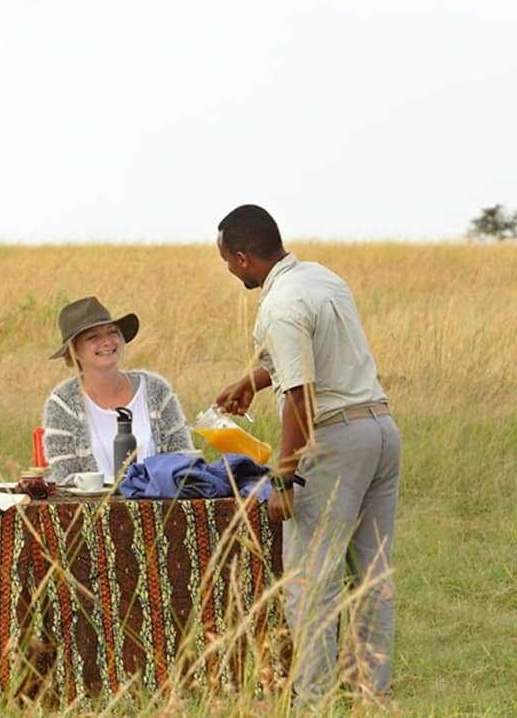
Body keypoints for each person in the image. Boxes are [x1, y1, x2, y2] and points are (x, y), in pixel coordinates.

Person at [213, 204, 399, 703]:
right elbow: (312, 358)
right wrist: (252, 381)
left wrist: (284, 476)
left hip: (334, 442)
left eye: (229, 262)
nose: (231, 272)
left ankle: (312, 697)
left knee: (310, 578)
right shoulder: (322, 279)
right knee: (372, 572)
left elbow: (301, 396)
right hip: (380, 430)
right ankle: (370, 694)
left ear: (244, 257)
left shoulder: (279, 305)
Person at [41, 296, 194, 483]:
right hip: (93, 510)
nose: (107, 342)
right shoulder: (62, 403)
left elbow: (184, 458)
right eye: (93, 337)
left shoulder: (156, 390)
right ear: (74, 350)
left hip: (160, 506)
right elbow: (64, 476)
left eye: (112, 332)